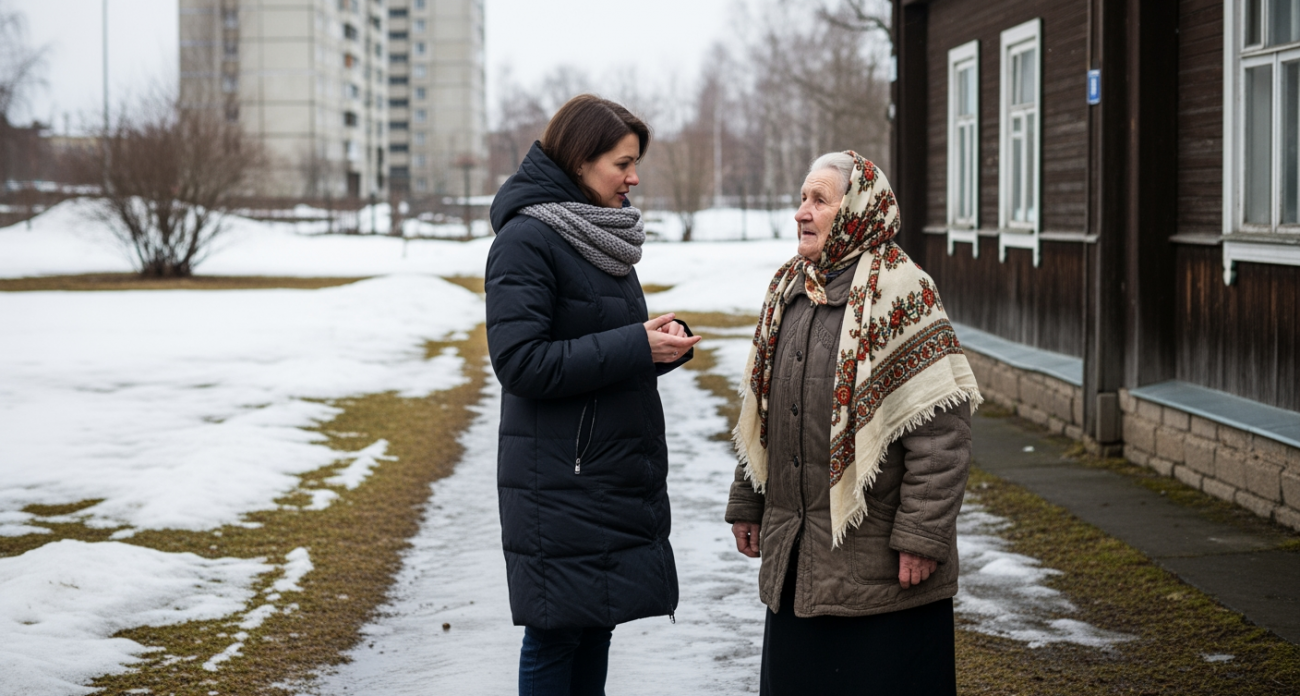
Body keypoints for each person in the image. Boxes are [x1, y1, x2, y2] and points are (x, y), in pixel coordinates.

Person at [725, 151, 982, 695]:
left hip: (883, 566)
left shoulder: (903, 293)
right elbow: (765, 415)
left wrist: (922, 536)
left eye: (819, 200)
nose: (802, 212)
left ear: (859, 210)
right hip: (800, 558)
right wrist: (748, 503)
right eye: (801, 198)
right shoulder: (788, 293)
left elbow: (941, 435)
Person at [485, 94, 701, 696]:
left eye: (636, 164)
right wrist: (635, 346)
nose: (633, 178)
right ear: (581, 160)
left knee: (595, 621)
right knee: (557, 632)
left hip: (603, 471)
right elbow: (520, 363)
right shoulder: (528, 240)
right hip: (559, 476)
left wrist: (658, 351)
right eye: (622, 163)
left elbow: (595, 348)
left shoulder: (593, 234)